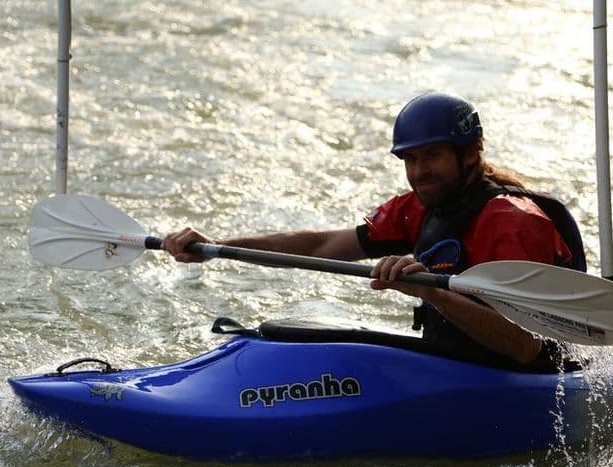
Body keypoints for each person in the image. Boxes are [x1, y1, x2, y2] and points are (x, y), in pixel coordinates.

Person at [162, 92, 585, 365]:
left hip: (527, 377)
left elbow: (526, 348)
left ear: (471, 153)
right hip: (458, 361)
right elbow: (325, 245)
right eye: (410, 160)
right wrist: (217, 245)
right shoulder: (418, 207)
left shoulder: (514, 222)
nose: (420, 172)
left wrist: (427, 289)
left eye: (432, 156)